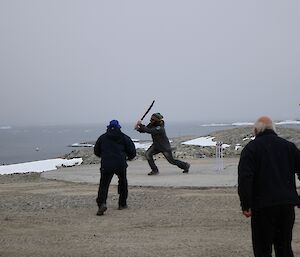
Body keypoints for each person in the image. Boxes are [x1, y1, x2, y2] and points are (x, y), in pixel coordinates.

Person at [238, 116, 300, 257]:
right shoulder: (288, 147)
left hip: (262, 206)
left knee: (262, 249)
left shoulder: (251, 149)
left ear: (255, 131)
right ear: (273, 129)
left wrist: (246, 204)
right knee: (284, 247)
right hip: (286, 205)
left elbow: (245, 178)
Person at [94, 120, 136, 216]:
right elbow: (132, 152)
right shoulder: (124, 137)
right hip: (120, 164)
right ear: (119, 127)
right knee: (123, 182)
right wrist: (129, 157)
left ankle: (102, 204)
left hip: (106, 164)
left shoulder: (102, 138)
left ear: (108, 127)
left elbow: (96, 151)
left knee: (104, 185)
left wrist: (104, 156)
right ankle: (122, 204)